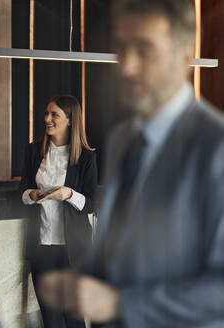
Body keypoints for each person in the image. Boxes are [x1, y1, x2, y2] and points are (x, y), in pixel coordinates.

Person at [38, 1, 224, 327]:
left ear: (184, 56)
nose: (127, 67)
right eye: (122, 49)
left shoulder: (216, 147)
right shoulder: (123, 139)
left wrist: (118, 303)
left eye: (145, 49)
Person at [19, 95, 97, 328]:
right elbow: (21, 192)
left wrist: (69, 194)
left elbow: (91, 204)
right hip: (41, 248)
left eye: (54, 114)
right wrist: (30, 196)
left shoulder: (86, 157)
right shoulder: (33, 151)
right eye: (46, 113)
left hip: (74, 252)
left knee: (74, 320)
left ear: (71, 121)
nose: (47, 119)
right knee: (51, 322)